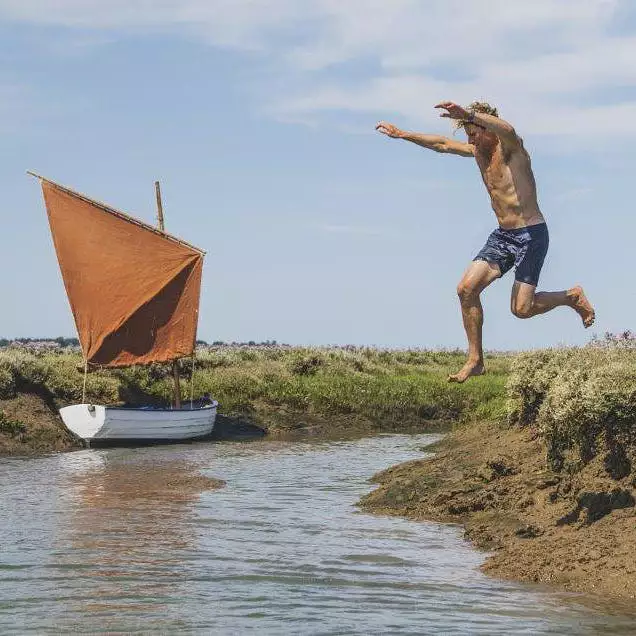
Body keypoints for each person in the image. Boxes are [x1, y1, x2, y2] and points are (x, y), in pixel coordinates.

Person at [376, 101, 595, 383]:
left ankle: (571, 297)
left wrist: (469, 114)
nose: (470, 139)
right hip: (503, 235)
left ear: (488, 127)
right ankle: (475, 359)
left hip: (531, 234)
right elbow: (442, 144)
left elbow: (509, 129)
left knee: (522, 310)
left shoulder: (513, 148)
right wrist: (403, 134)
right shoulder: (478, 152)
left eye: (474, 132)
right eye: (467, 133)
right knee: (466, 289)